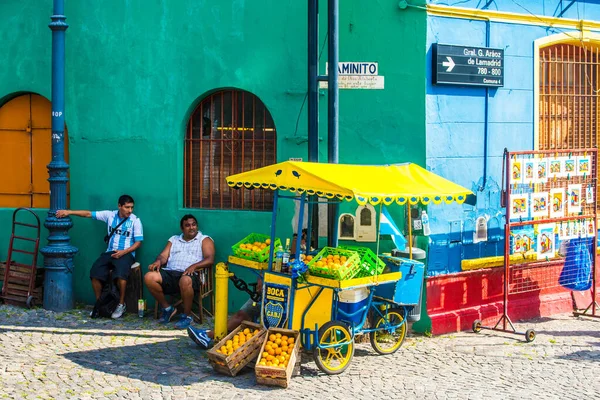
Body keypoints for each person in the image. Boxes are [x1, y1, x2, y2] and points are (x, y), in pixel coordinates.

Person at [56, 194, 143, 319]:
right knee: (95, 273)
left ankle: (121, 304)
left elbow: (138, 242)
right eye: (127, 207)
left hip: (126, 254)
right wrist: (69, 212)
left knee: (121, 276)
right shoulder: (110, 215)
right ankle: (99, 304)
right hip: (110, 253)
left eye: (132, 208)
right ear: (119, 206)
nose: (130, 210)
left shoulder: (135, 221)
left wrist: (123, 252)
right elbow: (88, 214)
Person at [144, 214, 215, 329]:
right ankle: (168, 308)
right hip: (171, 273)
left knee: (185, 280)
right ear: (182, 228)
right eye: (187, 225)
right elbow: (163, 256)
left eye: (193, 224)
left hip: (192, 275)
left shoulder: (204, 239)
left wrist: (195, 266)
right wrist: (158, 261)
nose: (191, 227)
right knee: (149, 277)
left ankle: (186, 316)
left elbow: (210, 259)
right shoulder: (174, 239)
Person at [187, 279, 262, 349]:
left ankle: (208, 335)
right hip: (262, 293)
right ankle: (208, 335)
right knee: (241, 315)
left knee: (243, 316)